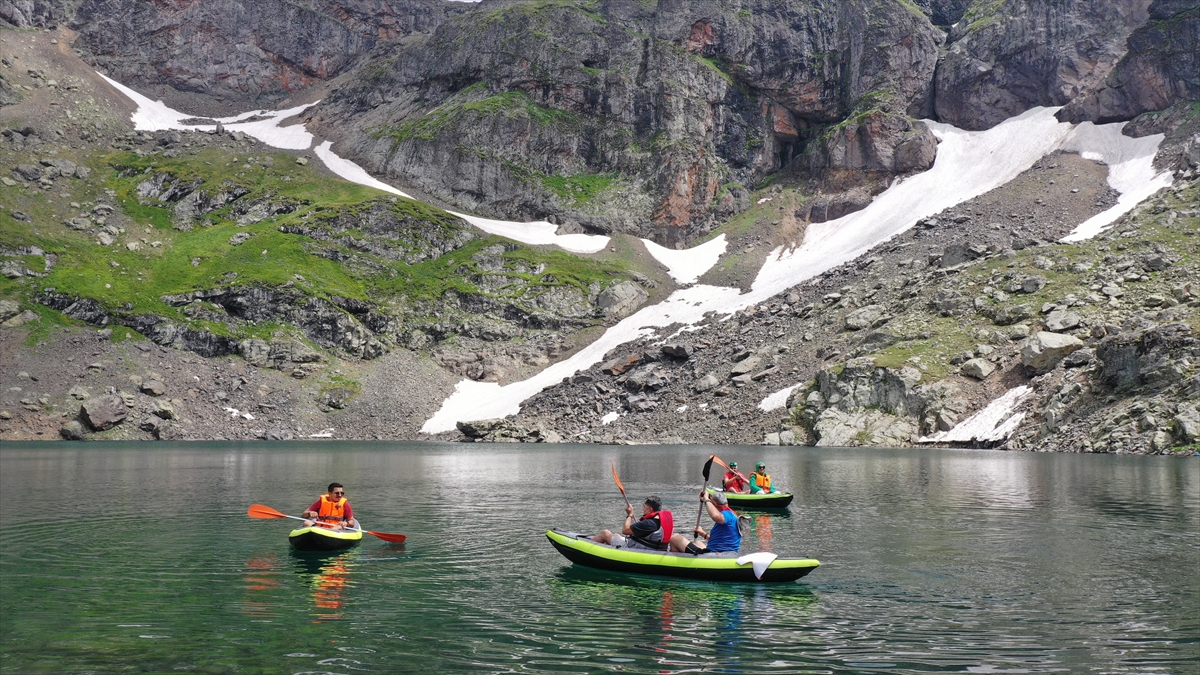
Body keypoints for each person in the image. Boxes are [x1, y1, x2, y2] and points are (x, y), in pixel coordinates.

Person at [593, 496, 685, 551]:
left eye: (644, 507)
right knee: (616, 535)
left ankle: (584, 547)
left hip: (640, 548)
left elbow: (625, 530)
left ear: (650, 510)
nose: (642, 509)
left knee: (605, 533)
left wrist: (630, 515)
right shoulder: (659, 521)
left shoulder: (649, 523)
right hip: (654, 547)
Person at [685, 490, 742, 554]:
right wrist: (704, 534)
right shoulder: (731, 514)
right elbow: (722, 539)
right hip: (718, 551)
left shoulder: (727, 514)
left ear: (714, 504)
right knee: (697, 543)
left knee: (675, 539)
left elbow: (715, 516)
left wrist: (706, 499)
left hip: (719, 554)